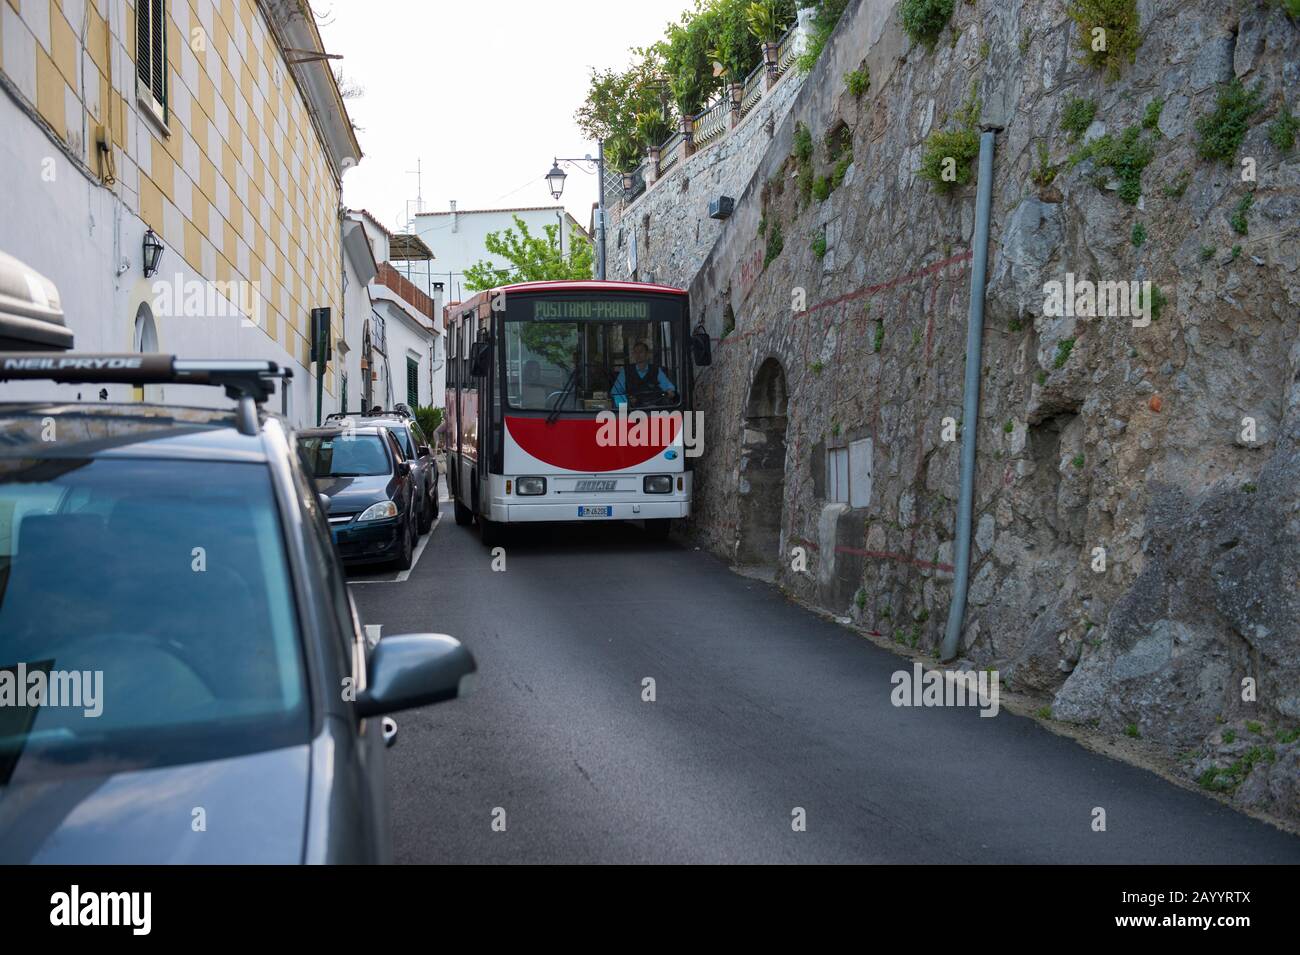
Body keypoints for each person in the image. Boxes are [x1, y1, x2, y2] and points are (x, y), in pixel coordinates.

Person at [612, 341, 676, 408]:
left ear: (647, 354)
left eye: (641, 351)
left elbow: (669, 389)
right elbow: (615, 393)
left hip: (655, 410)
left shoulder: (656, 370)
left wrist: (670, 392)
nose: (638, 354)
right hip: (632, 411)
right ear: (633, 355)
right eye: (635, 352)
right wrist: (627, 400)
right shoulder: (625, 372)